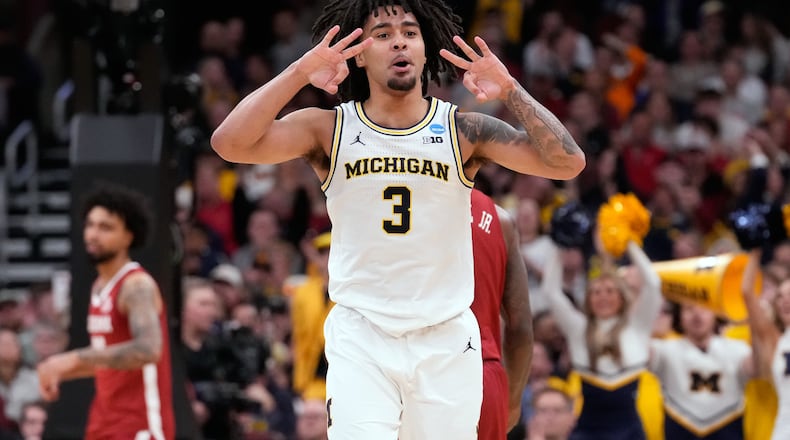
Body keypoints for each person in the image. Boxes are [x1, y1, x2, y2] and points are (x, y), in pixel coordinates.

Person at [211, 0, 585, 437]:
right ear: (360, 53)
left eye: (410, 32)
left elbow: (568, 163)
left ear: (426, 49)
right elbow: (229, 143)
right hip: (362, 335)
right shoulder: (329, 130)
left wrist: (510, 91)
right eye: (383, 34)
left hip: (445, 338)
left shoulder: (464, 131)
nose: (399, 41)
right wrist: (298, 73)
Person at [36, 185, 175, 440]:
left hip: (139, 424)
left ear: (129, 236)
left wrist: (71, 360)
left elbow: (148, 349)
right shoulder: (99, 286)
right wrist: (58, 369)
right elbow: (108, 358)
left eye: (106, 227)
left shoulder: (136, 286)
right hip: (104, 420)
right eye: (90, 225)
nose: (93, 234)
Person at [541, 239, 662, 440]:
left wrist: (630, 243)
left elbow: (653, 284)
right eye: (596, 292)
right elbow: (551, 292)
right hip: (587, 433)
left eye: (609, 291)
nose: (603, 297)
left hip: (630, 432)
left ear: (622, 297)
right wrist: (560, 244)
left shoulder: (637, 327)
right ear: (588, 299)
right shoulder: (578, 328)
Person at [470, 189, 533, 439]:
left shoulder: (390, 204)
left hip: (402, 368)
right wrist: (513, 401)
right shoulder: (499, 219)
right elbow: (520, 328)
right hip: (481, 371)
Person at [649, 303, 753, 439]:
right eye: (689, 308)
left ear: (716, 313)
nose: (697, 315)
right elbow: (636, 350)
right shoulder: (665, 350)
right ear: (679, 315)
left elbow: (759, 369)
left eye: (704, 307)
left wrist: (755, 314)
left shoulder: (738, 349)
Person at [742, 248, 790, 440]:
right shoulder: (775, 339)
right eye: (780, 296)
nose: (785, 301)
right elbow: (747, 292)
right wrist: (755, 249)